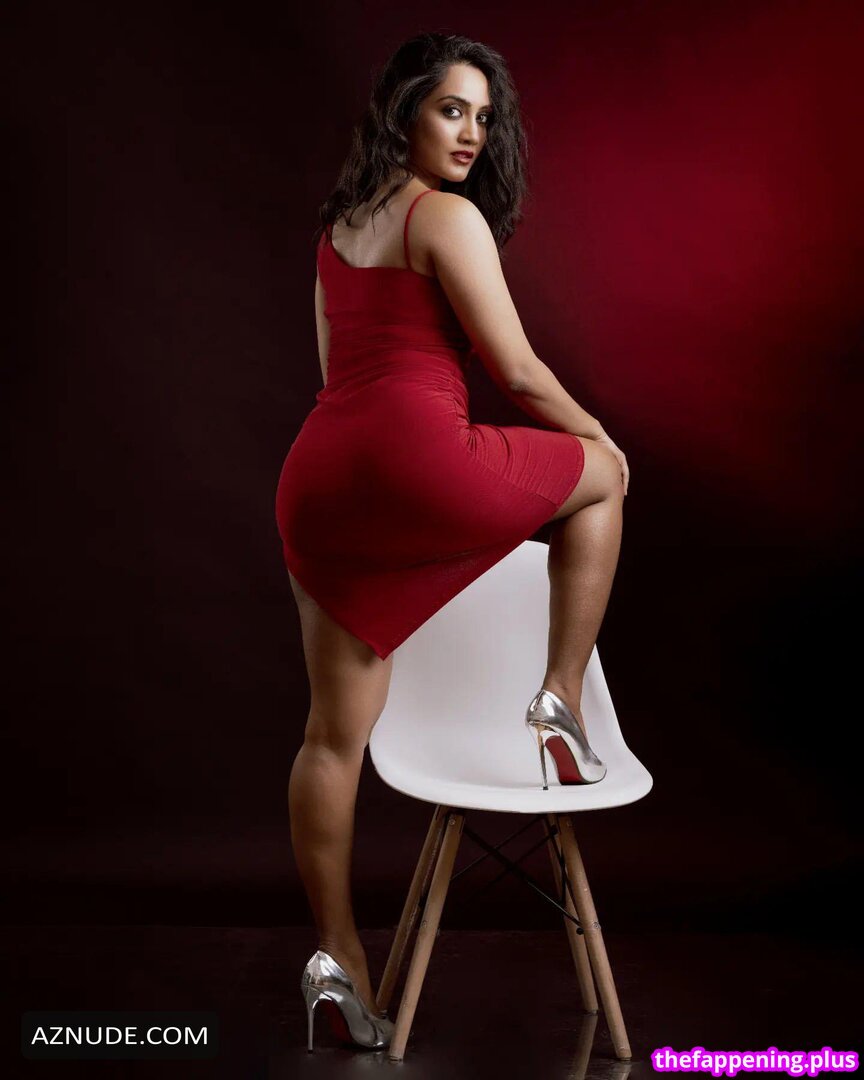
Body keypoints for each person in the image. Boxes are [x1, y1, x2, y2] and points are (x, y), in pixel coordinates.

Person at [274, 31, 629, 1051]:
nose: (472, 132)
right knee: (601, 482)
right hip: (420, 458)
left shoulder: (339, 228)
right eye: (450, 109)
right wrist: (599, 440)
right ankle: (557, 703)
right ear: (404, 112)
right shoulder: (445, 217)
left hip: (319, 482)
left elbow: (337, 373)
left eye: (484, 115)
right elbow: (515, 371)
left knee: (331, 737)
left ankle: (337, 963)